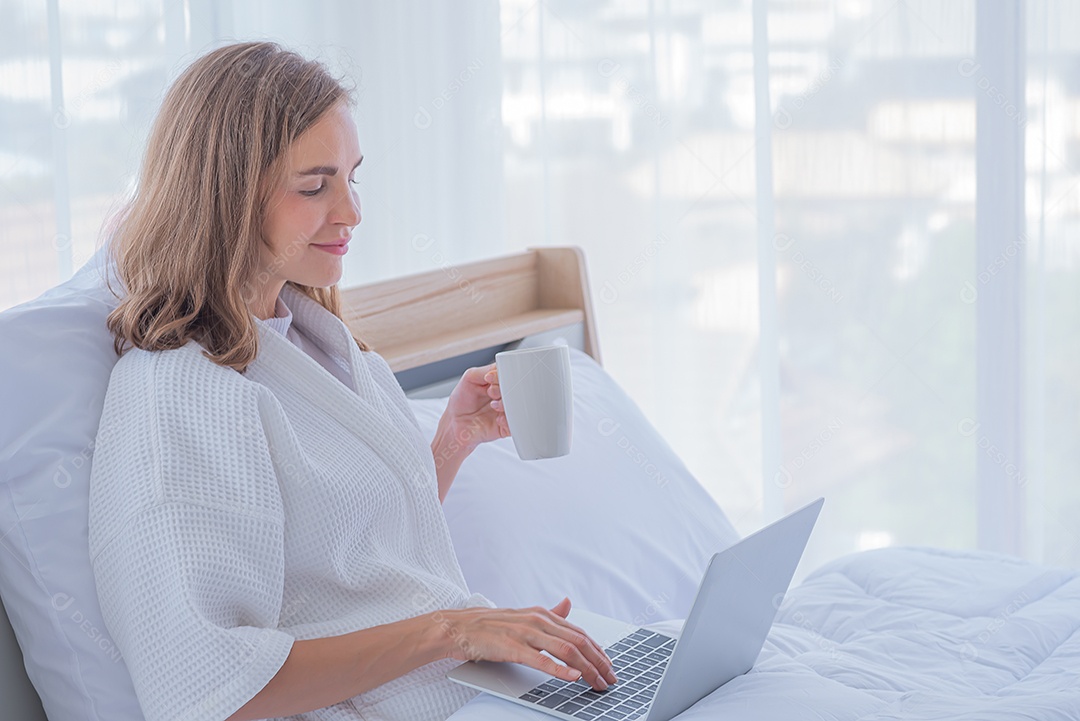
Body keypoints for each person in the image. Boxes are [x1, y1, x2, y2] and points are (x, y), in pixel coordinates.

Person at [88, 41, 617, 721]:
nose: (352, 211)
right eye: (315, 185)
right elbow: (209, 688)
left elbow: (352, 559)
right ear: (223, 197)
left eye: (351, 176)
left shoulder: (319, 341)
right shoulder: (180, 392)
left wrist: (448, 444)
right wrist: (453, 630)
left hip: (474, 692)